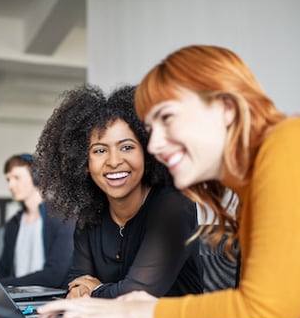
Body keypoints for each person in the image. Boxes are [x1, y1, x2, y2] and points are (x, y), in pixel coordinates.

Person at [37, 45, 300, 318]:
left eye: (167, 118)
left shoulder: (293, 144)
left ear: (224, 107)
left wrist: (134, 311)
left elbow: (263, 312)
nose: (155, 145)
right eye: (151, 128)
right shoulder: (252, 186)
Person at [34, 84, 204, 299]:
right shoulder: (90, 215)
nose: (114, 161)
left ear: (147, 152)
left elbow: (138, 294)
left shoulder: (174, 205)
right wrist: (85, 290)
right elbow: (76, 283)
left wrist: (95, 290)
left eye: (127, 147)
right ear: (83, 162)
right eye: (100, 150)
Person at [0, 153, 75, 288]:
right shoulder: (14, 223)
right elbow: (3, 269)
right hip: (18, 299)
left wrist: (1, 285)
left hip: (49, 301)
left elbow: (54, 276)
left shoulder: (62, 219)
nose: (10, 185)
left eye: (16, 178)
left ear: (36, 177)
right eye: (8, 179)